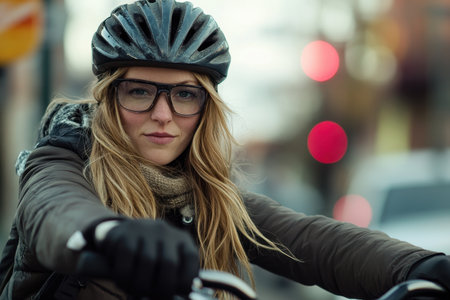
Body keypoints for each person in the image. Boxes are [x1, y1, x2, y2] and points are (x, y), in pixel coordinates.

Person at [1, 0, 450, 299]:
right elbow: (55, 212)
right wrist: (111, 236)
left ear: (205, 109)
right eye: (139, 92)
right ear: (109, 98)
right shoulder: (62, 160)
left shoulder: (206, 198)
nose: (163, 115)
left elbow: (316, 241)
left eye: (184, 95)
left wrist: (422, 266)